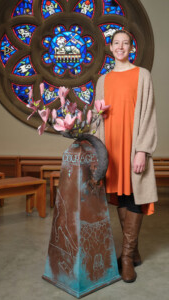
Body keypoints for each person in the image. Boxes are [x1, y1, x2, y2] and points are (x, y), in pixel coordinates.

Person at [91, 30, 158, 283]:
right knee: (119, 196)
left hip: (133, 146)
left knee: (134, 195)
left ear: (131, 47)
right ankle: (134, 251)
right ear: (110, 48)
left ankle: (127, 257)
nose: (121, 47)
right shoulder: (102, 80)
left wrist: (142, 149)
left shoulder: (142, 75)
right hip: (112, 148)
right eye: (116, 43)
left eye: (125, 43)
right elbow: (97, 118)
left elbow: (149, 113)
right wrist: (97, 150)